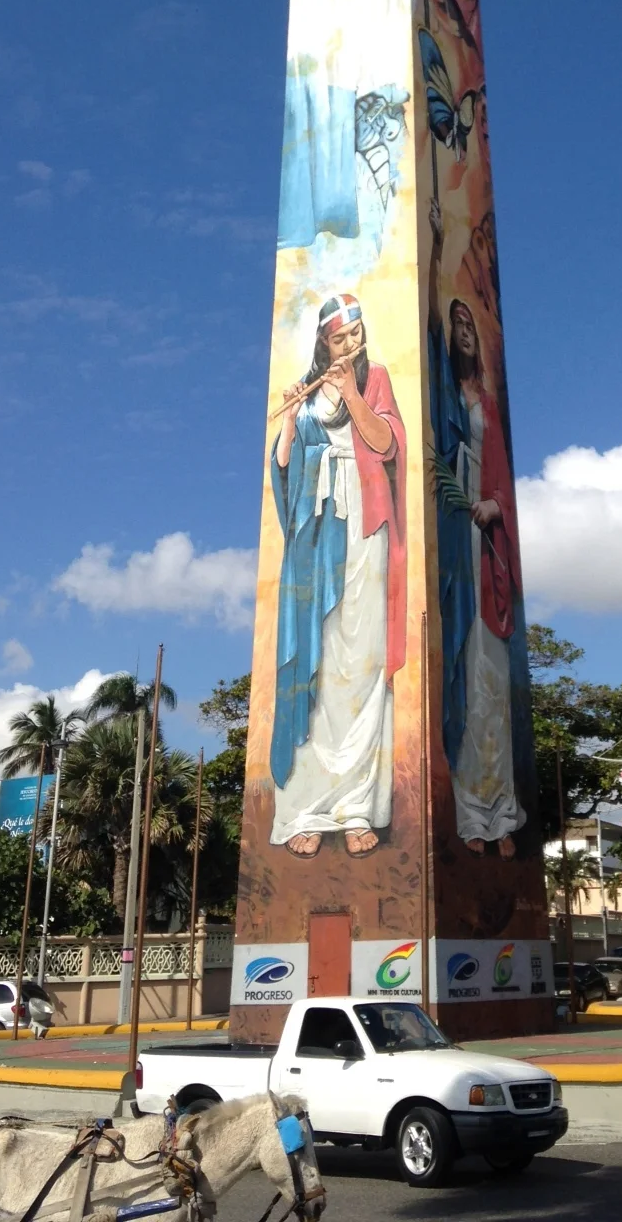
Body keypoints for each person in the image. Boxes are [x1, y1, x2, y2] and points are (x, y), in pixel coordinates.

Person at [269, 294, 406, 858]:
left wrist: (350, 391)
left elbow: (388, 443)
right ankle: (306, 806)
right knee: (317, 661)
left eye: (355, 337)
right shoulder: (306, 394)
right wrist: (287, 423)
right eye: (338, 340)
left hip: (365, 527)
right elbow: (284, 471)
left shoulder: (374, 380)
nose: (348, 347)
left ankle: (356, 807)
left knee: (363, 660)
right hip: (316, 534)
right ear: (323, 342)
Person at [427, 198, 525, 857]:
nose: (463, 330)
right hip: (452, 542)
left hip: (484, 542)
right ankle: (469, 814)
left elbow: (503, 482)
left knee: (492, 678)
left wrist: (492, 507)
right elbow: (427, 324)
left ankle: (499, 811)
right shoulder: (440, 390)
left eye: (470, 325)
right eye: (456, 323)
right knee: (458, 676)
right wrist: (435, 248)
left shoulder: (488, 405)